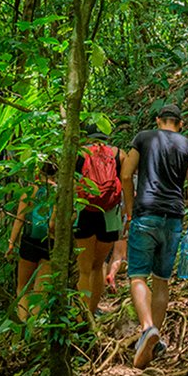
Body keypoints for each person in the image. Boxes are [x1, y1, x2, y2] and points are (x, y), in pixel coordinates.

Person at [120, 103, 188, 368]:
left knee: (138, 276)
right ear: (180, 123)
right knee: (162, 281)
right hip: (173, 220)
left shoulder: (143, 138)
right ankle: (155, 338)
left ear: (158, 120)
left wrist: (130, 213)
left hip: (145, 214)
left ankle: (147, 329)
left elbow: (125, 174)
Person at [74, 125, 123, 317]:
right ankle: (93, 312)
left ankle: (81, 317)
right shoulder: (119, 154)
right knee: (98, 265)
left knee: (84, 270)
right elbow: (125, 179)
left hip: (84, 211)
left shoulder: (78, 154)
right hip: (109, 215)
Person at [6, 160, 57, 322]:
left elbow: (20, 218)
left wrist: (11, 243)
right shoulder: (58, 191)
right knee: (40, 291)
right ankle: (36, 327)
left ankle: (23, 323)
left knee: (23, 286)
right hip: (49, 242)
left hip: (29, 240)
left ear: (39, 171)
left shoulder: (30, 190)